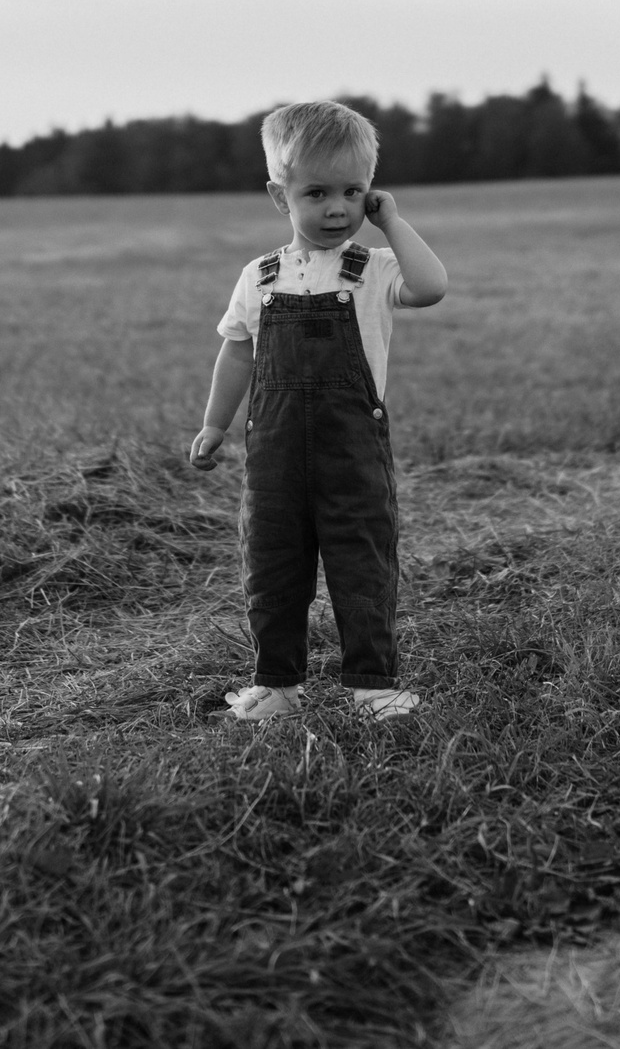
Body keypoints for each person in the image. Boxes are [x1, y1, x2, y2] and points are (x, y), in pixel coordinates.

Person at [189, 100, 448, 721]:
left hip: (351, 448)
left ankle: (372, 683)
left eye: (354, 191)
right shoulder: (261, 275)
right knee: (272, 564)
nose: (338, 208)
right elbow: (237, 354)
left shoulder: (374, 268)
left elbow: (432, 286)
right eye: (317, 192)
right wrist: (214, 424)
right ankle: (276, 684)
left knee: (362, 558)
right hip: (273, 452)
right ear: (281, 197)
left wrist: (392, 223)